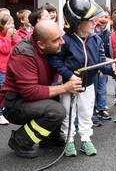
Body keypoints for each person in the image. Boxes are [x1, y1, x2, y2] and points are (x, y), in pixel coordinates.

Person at [48, 0, 116, 157]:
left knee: (86, 113)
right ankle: (68, 140)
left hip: (89, 85)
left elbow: (101, 62)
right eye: (90, 20)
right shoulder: (65, 40)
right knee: (68, 115)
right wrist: (69, 75)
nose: (95, 22)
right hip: (69, 86)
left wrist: (113, 71)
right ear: (77, 22)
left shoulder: (95, 39)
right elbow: (55, 60)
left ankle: (85, 139)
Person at [0, 20, 83, 158]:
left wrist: (112, 66)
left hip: (29, 98)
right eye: (56, 40)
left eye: (61, 36)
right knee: (56, 110)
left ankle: (50, 138)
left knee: (57, 94)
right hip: (14, 105)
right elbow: (30, 92)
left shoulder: (48, 46)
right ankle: (20, 140)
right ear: (41, 44)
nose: (62, 42)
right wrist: (65, 87)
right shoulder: (23, 54)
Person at [0, 13, 21, 125]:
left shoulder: (13, 35)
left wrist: (15, 36)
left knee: (12, 92)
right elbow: (5, 49)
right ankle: (0, 114)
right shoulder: (1, 37)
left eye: (12, 23)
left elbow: (20, 46)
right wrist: (8, 36)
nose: (11, 26)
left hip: (13, 69)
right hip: (2, 70)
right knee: (2, 92)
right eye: (8, 24)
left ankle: (7, 112)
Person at [94, 5, 112, 121]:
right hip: (95, 64)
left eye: (106, 16)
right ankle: (94, 108)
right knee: (94, 88)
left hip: (105, 63)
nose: (103, 19)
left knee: (102, 88)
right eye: (101, 16)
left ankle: (101, 108)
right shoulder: (93, 32)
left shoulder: (109, 33)